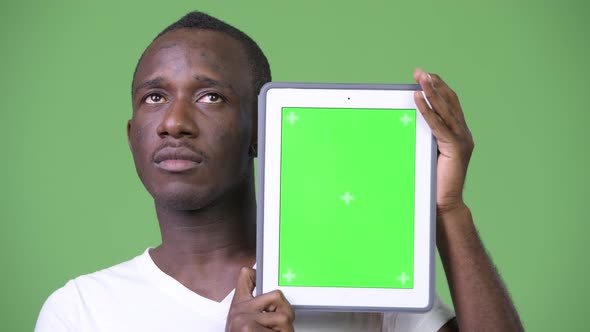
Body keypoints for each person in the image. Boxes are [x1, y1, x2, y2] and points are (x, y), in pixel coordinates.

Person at [35, 11, 523, 332]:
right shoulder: (79, 311)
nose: (174, 123)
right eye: (154, 97)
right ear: (132, 135)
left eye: (210, 97)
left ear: (260, 132)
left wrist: (448, 211)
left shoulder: (361, 285)